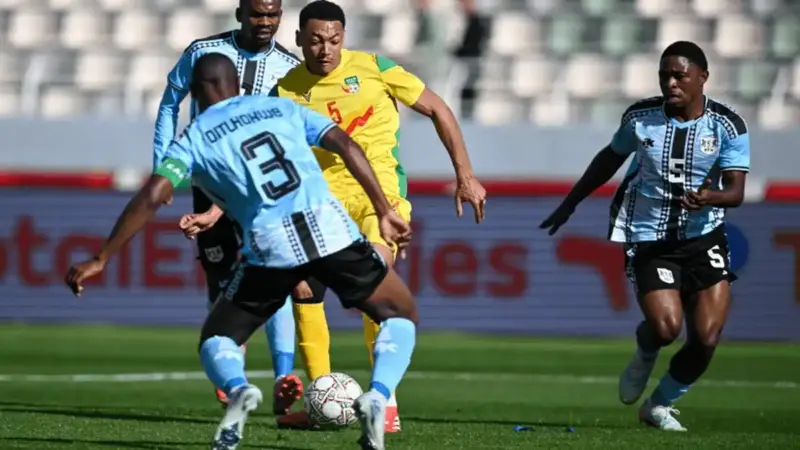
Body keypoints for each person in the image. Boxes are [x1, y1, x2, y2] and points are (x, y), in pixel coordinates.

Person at [66, 53, 417, 450]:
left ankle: (238, 390)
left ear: (197, 93)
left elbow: (152, 196)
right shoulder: (281, 108)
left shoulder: (194, 137)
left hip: (271, 244)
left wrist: (101, 258)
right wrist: (384, 210)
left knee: (218, 337)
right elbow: (345, 143)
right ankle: (378, 395)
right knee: (399, 311)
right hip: (330, 228)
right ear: (237, 84)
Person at [267, 0, 487, 432]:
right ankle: (321, 399)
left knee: (373, 283)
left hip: (379, 201)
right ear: (298, 40)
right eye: (315, 41)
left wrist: (465, 175)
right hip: (321, 206)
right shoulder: (285, 90)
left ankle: (385, 405)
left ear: (343, 38)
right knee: (303, 288)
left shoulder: (374, 68)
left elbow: (439, 109)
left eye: (333, 40)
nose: (325, 49)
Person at [540, 41, 749, 431]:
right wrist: (571, 202)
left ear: (702, 77)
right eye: (664, 75)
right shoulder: (641, 118)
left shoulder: (727, 125)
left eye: (679, 75)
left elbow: (735, 192)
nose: (671, 83)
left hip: (704, 237)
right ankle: (645, 349)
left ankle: (659, 405)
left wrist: (709, 197)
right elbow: (610, 157)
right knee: (667, 328)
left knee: (706, 337)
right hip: (649, 236)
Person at [152, 0, 305, 411]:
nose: (265, 22)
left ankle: (283, 376)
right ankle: (231, 374)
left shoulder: (290, 67)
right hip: (211, 179)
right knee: (219, 278)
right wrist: (162, 169)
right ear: (240, 14)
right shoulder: (203, 52)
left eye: (273, 15)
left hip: (262, 186)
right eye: (257, 14)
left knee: (277, 274)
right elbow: (170, 104)